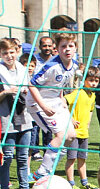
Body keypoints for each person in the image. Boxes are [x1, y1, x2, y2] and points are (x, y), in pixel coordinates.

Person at [26, 31, 78, 181]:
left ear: (75, 47)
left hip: (55, 101)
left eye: (70, 46)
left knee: (71, 136)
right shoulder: (52, 66)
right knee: (61, 136)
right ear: (57, 49)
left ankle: (48, 168)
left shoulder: (73, 65)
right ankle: (42, 172)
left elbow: (58, 84)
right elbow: (31, 84)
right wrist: (43, 106)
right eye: (63, 46)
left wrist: (61, 100)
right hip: (38, 103)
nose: (67, 49)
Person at [0, 37, 33, 189]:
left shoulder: (22, 69)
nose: (9, 56)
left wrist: (25, 92)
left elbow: (31, 90)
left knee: (23, 157)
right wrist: (6, 92)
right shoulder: (0, 71)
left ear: (17, 51)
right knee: (7, 158)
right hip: (6, 119)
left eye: (11, 52)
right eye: (5, 53)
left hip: (24, 117)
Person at [64, 66, 100, 189]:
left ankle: (84, 182)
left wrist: (88, 122)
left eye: (96, 81)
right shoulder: (78, 93)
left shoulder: (93, 95)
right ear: (84, 79)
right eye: (91, 80)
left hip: (84, 132)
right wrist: (70, 119)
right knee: (71, 158)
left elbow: (90, 109)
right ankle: (71, 183)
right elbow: (63, 103)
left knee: (82, 158)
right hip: (74, 133)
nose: (93, 83)